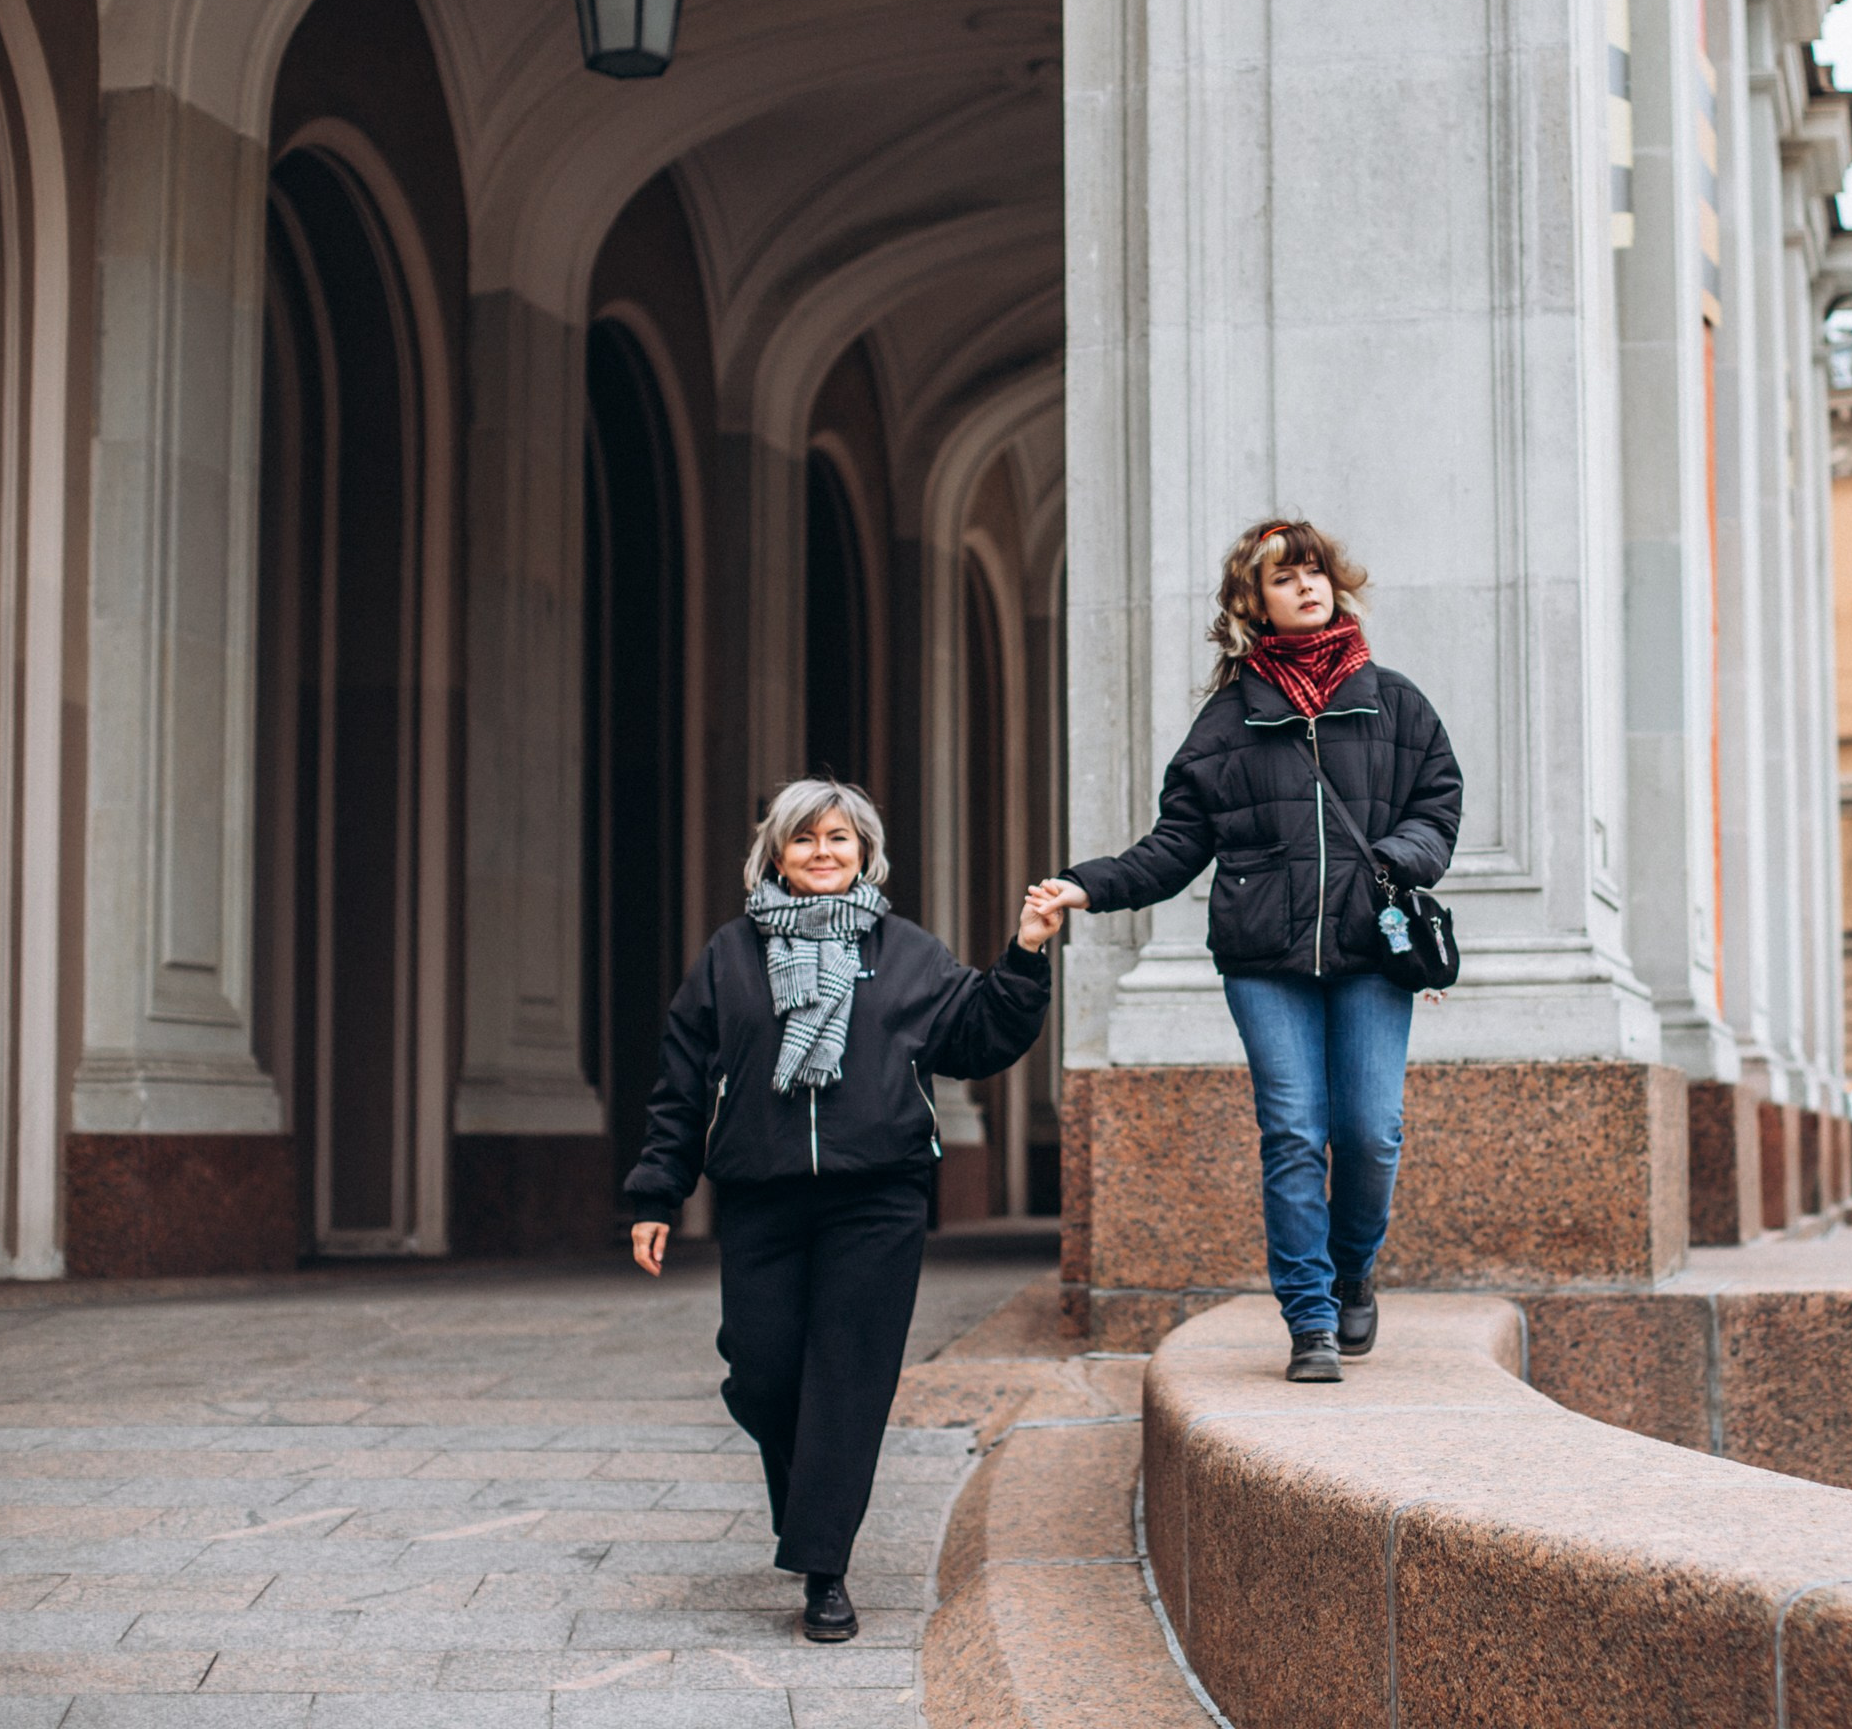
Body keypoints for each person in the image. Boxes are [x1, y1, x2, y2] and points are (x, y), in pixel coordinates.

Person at [625, 778, 1063, 1643]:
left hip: (878, 1196)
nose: (823, 853)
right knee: (762, 1375)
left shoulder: (907, 953)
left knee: (846, 1384)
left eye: (840, 839)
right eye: (804, 840)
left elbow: (978, 1038)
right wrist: (656, 1190)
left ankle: (825, 1569)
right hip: (761, 1195)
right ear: (775, 855)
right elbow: (682, 1080)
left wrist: (1024, 954)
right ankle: (816, 1520)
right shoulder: (729, 956)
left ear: (865, 854)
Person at [1033, 520, 1461, 1384]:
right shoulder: (1227, 724)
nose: (1307, 587)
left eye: (1315, 572)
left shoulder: (1395, 702)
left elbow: (1438, 806)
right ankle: (1309, 1318)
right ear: (1253, 603)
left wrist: (1391, 860)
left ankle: (1352, 1271)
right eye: (1283, 578)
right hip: (1264, 962)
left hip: (1372, 956)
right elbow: (1174, 847)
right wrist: (1087, 884)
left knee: (1371, 1133)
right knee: (1294, 1132)